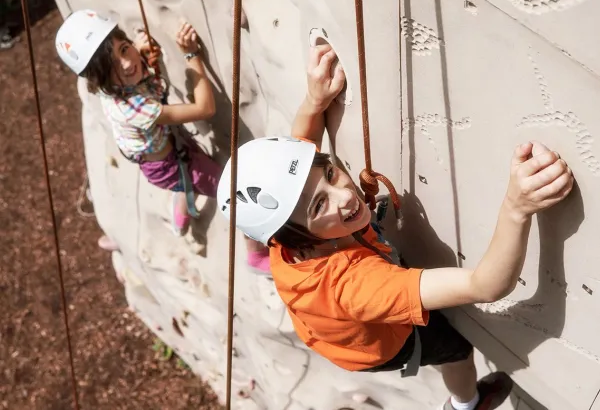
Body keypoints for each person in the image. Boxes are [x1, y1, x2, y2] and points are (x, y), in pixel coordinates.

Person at [217, 44, 575, 409]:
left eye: (329, 174)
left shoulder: (286, 226)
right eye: (320, 204)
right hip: (379, 345)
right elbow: (485, 285)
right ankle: (465, 404)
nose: (344, 196)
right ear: (291, 235)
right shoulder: (355, 287)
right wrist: (517, 208)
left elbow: (304, 145)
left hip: (329, 321)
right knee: (455, 351)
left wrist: (314, 100)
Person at [56, 9, 269, 274]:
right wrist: (191, 54)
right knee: (234, 192)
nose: (125, 64)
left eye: (124, 49)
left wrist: (141, 51)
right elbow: (204, 109)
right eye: (112, 67)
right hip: (169, 162)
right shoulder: (134, 108)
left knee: (184, 183)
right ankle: (256, 256)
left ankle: (180, 220)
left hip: (164, 150)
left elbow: (131, 70)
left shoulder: (109, 86)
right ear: (100, 78)